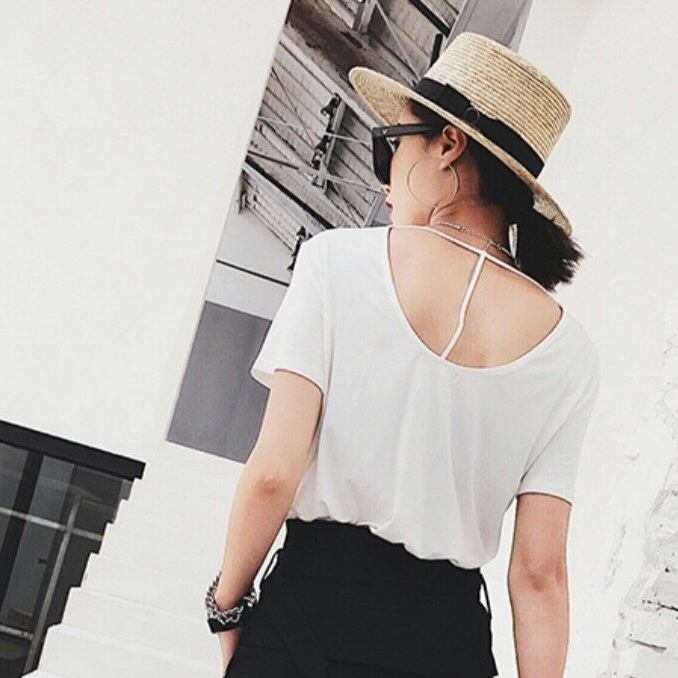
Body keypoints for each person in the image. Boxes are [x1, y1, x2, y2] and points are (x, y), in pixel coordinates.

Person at [205, 31, 601, 677]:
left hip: (304, 620)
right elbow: (539, 572)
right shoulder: (568, 352)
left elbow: (274, 473)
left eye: (391, 144)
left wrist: (227, 607)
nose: (386, 177)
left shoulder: (335, 263)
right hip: (446, 646)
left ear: (448, 144)